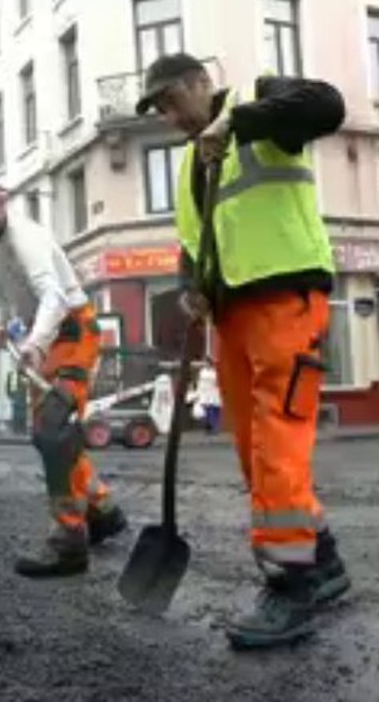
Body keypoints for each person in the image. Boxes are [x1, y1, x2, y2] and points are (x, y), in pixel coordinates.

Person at [135, 52, 351, 649]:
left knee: (279, 441)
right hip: (230, 316)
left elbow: (327, 105)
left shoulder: (261, 100)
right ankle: (324, 559)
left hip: (286, 296)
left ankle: (291, 589)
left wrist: (236, 123)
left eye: (170, 100)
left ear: (203, 84)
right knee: (255, 452)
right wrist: (189, 289)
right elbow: (192, 242)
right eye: (157, 108)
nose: (166, 115)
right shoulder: (189, 164)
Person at [0, 176, 127, 578]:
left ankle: (68, 543)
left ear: (2, 199)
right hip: (45, 334)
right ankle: (102, 511)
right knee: (56, 434)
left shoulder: (25, 237)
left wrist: (34, 344)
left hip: (71, 330)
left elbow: (53, 296)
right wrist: (2, 323)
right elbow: (0, 295)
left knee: (53, 431)